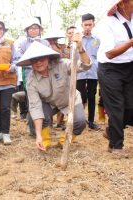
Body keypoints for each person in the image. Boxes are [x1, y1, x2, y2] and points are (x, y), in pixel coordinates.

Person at [16, 38, 91, 151]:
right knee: (34, 117)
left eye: (41, 58)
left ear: (48, 57)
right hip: (49, 103)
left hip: (69, 100)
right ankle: (45, 141)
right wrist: (38, 135)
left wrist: (81, 50)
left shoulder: (62, 65)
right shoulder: (31, 81)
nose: (38, 62)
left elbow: (85, 66)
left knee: (79, 123)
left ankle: (64, 141)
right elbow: (35, 107)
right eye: (34, 60)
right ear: (30, 63)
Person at [97, 0, 133, 158]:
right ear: (122, 4)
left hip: (130, 67)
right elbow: (109, 53)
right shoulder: (107, 24)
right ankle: (117, 146)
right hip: (110, 68)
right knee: (116, 107)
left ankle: (111, 131)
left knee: (130, 107)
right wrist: (131, 43)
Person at [16, 17, 50, 136]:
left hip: (44, 75)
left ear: (40, 29)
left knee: (44, 100)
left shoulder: (45, 42)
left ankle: (44, 125)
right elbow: (19, 58)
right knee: (32, 101)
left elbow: (49, 58)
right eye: (31, 28)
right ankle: (32, 128)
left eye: (36, 28)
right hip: (29, 74)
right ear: (27, 30)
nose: (34, 30)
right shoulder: (23, 43)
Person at [76, 13, 101, 130]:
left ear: (93, 25)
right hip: (80, 72)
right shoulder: (77, 39)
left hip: (93, 72)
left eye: (90, 24)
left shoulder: (97, 40)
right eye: (85, 25)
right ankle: (79, 121)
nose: (87, 27)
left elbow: (99, 56)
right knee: (80, 97)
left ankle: (91, 121)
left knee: (92, 96)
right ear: (82, 25)